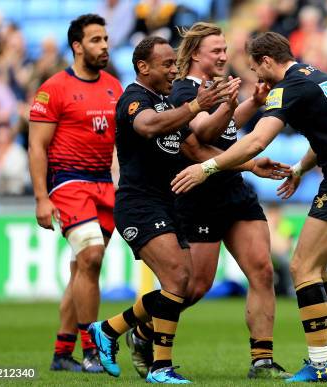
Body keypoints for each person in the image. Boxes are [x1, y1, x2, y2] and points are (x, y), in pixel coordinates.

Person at [172, 31, 327, 382]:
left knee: (301, 266)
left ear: (268, 61)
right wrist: (301, 167)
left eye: (257, 69)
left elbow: (256, 141)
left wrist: (207, 167)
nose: (258, 77)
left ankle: (320, 363)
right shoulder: (320, 76)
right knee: (317, 269)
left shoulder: (289, 87)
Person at [88, 36, 289, 384]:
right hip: (142, 203)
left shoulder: (168, 101)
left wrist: (248, 161)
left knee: (183, 283)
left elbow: (198, 148)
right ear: (143, 67)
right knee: (183, 282)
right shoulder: (136, 99)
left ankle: (127, 342)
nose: (172, 69)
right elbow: (149, 126)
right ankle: (131, 344)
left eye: (172, 63)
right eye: (166, 64)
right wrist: (199, 106)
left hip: (168, 201)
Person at [28, 14, 123, 373]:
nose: (104, 46)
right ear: (77, 46)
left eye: (106, 39)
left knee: (83, 269)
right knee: (93, 256)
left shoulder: (114, 85)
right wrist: (41, 197)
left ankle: (61, 353)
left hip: (102, 183)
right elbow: (37, 147)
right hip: (68, 182)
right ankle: (92, 351)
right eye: (96, 40)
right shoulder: (54, 88)